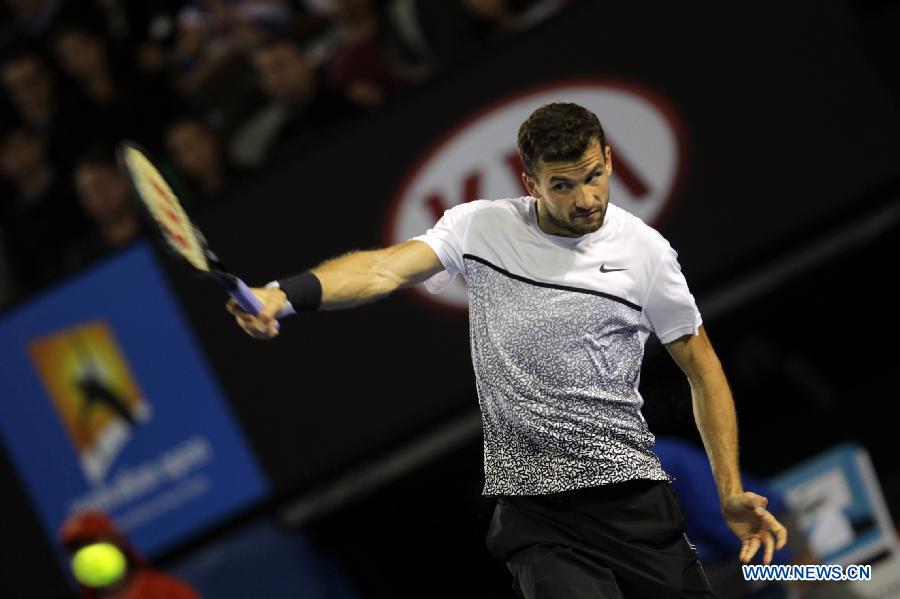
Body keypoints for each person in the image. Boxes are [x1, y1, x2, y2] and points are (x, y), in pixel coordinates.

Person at [226, 103, 787, 598]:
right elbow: (381, 269)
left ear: (609, 159)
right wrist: (284, 295)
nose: (586, 198)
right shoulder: (480, 228)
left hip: (631, 496)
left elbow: (704, 369)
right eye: (563, 185)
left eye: (594, 176)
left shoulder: (646, 254)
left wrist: (730, 491)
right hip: (535, 512)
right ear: (531, 182)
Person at [59, 511, 201, 599]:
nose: (87, 556)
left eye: (92, 543)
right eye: (77, 550)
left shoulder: (167, 591)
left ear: (116, 542)